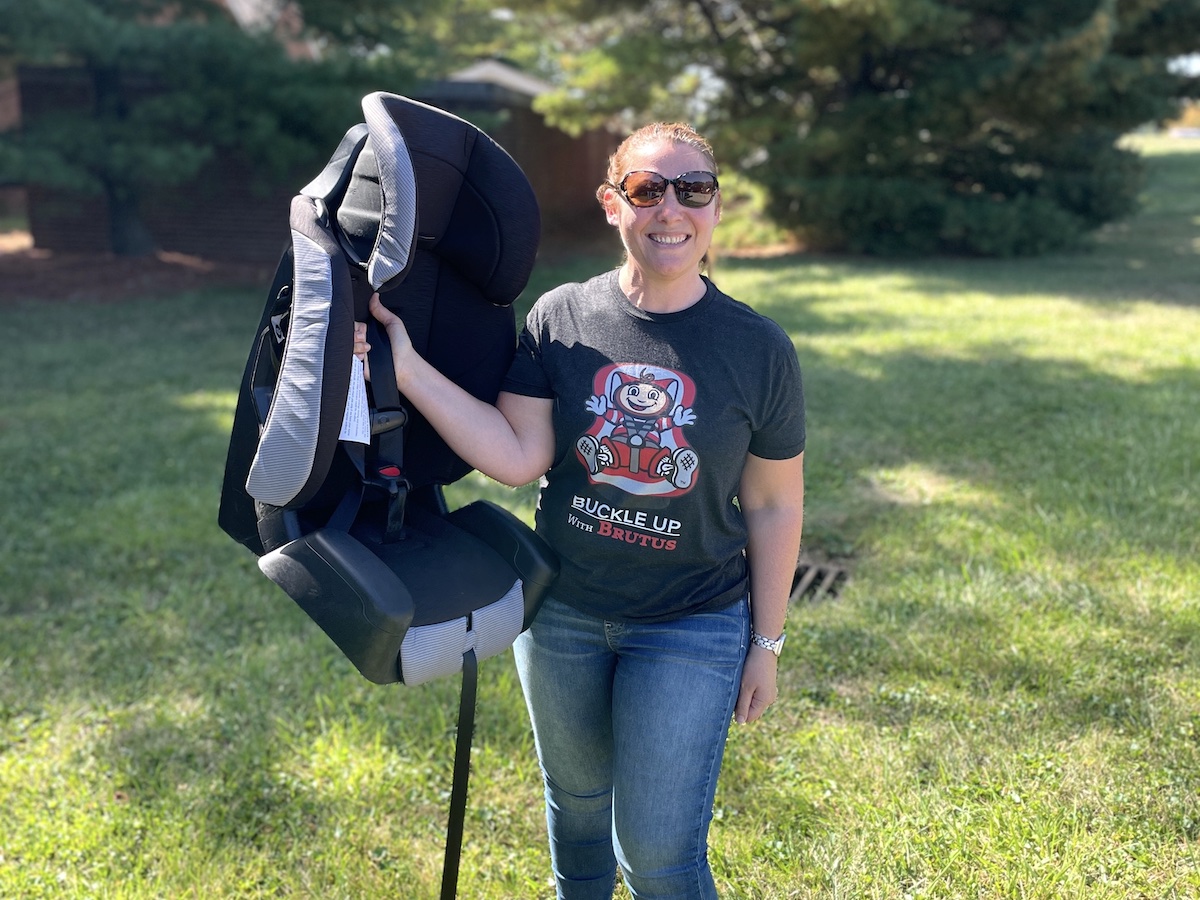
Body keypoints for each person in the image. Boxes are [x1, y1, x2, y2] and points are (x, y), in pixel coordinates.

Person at [355, 122, 805, 899]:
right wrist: (409, 370)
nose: (671, 209)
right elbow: (515, 454)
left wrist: (765, 643)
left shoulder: (757, 348)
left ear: (716, 207)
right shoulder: (561, 317)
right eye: (647, 189)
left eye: (693, 189)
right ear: (612, 203)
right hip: (560, 615)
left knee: (659, 857)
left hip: (692, 621)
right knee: (579, 814)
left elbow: (771, 504)